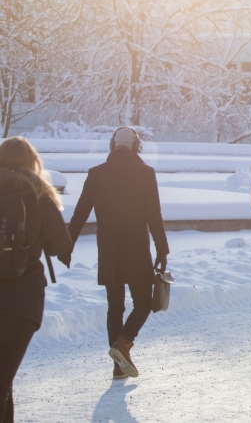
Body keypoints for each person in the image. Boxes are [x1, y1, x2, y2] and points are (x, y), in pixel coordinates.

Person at [62, 127, 169, 379]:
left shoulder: (96, 173)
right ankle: (124, 343)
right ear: (136, 146)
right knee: (143, 303)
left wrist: (68, 246)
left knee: (115, 307)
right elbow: (154, 215)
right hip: (136, 249)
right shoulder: (145, 173)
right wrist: (162, 249)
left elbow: (80, 213)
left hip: (108, 250)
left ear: (113, 145)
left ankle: (118, 366)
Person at [0, 137, 72, 422]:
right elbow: (59, 246)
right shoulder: (39, 193)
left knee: (5, 380)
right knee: (4, 376)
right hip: (22, 304)